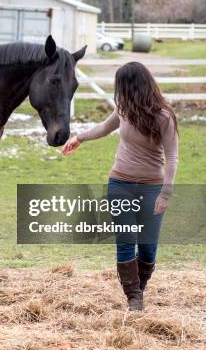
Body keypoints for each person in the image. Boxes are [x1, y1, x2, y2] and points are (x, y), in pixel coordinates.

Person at [62, 62, 179, 311]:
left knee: (148, 247)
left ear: (133, 85)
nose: (118, 91)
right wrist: (79, 138)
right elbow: (105, 127)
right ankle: (133, 297)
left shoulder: (164, 116)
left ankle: (140, 288)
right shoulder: (124, 109)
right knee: (126, 240)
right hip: (120, 184)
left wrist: (166, 193)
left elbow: (172, 157)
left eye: (121, 86)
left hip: (152, 187)